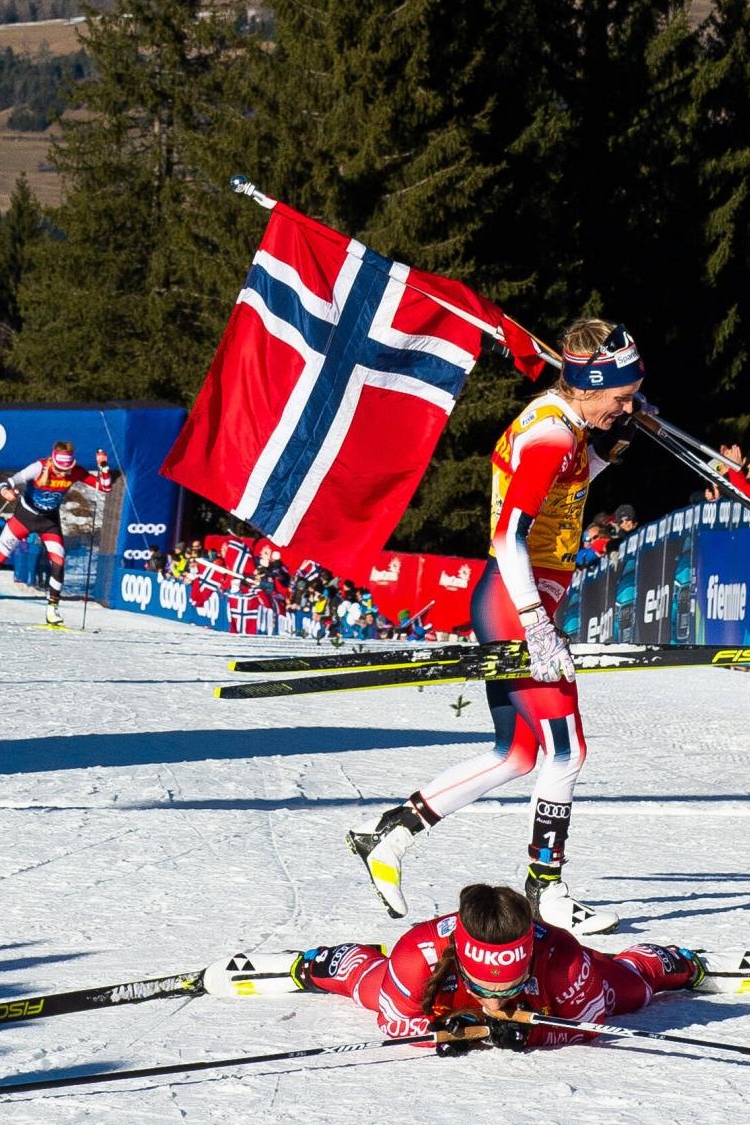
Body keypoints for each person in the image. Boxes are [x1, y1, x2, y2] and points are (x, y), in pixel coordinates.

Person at [348, 318, 646, 935]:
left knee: (517, 753)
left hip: (523, 594)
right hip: (517, 598)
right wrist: (536, 626)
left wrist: (606, 452)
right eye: (621, 396)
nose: (629, 404)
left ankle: (391, 834)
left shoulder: (569, 429)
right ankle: (547, 894)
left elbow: (564, 493)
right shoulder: (549, 435)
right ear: (588, 387)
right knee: (567, 752)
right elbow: (509, 536)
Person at [294, 884, 706, 1050]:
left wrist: (537, 1032)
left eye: (508, 986)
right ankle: (324, 964)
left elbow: (590, 1020)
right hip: (448, 993)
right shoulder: (417, 953)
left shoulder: (560, 954)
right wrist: (444, 1033)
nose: (496, 999)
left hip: (546, 988)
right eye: (487, 987)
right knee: (371, 987)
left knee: (625, 990)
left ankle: (673, 962)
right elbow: (394, 1023)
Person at [0, 442, 113, 624]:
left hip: (49, 522)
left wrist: (103, 466)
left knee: (58, 562)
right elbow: (7, 482)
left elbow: (105, 487)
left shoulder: (75, 471)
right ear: (53, 461)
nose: (64, 473)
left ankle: (52, 610)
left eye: (68, 469)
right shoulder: (38, 467)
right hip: (23, 519)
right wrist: (6, 492)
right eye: (60, 469)